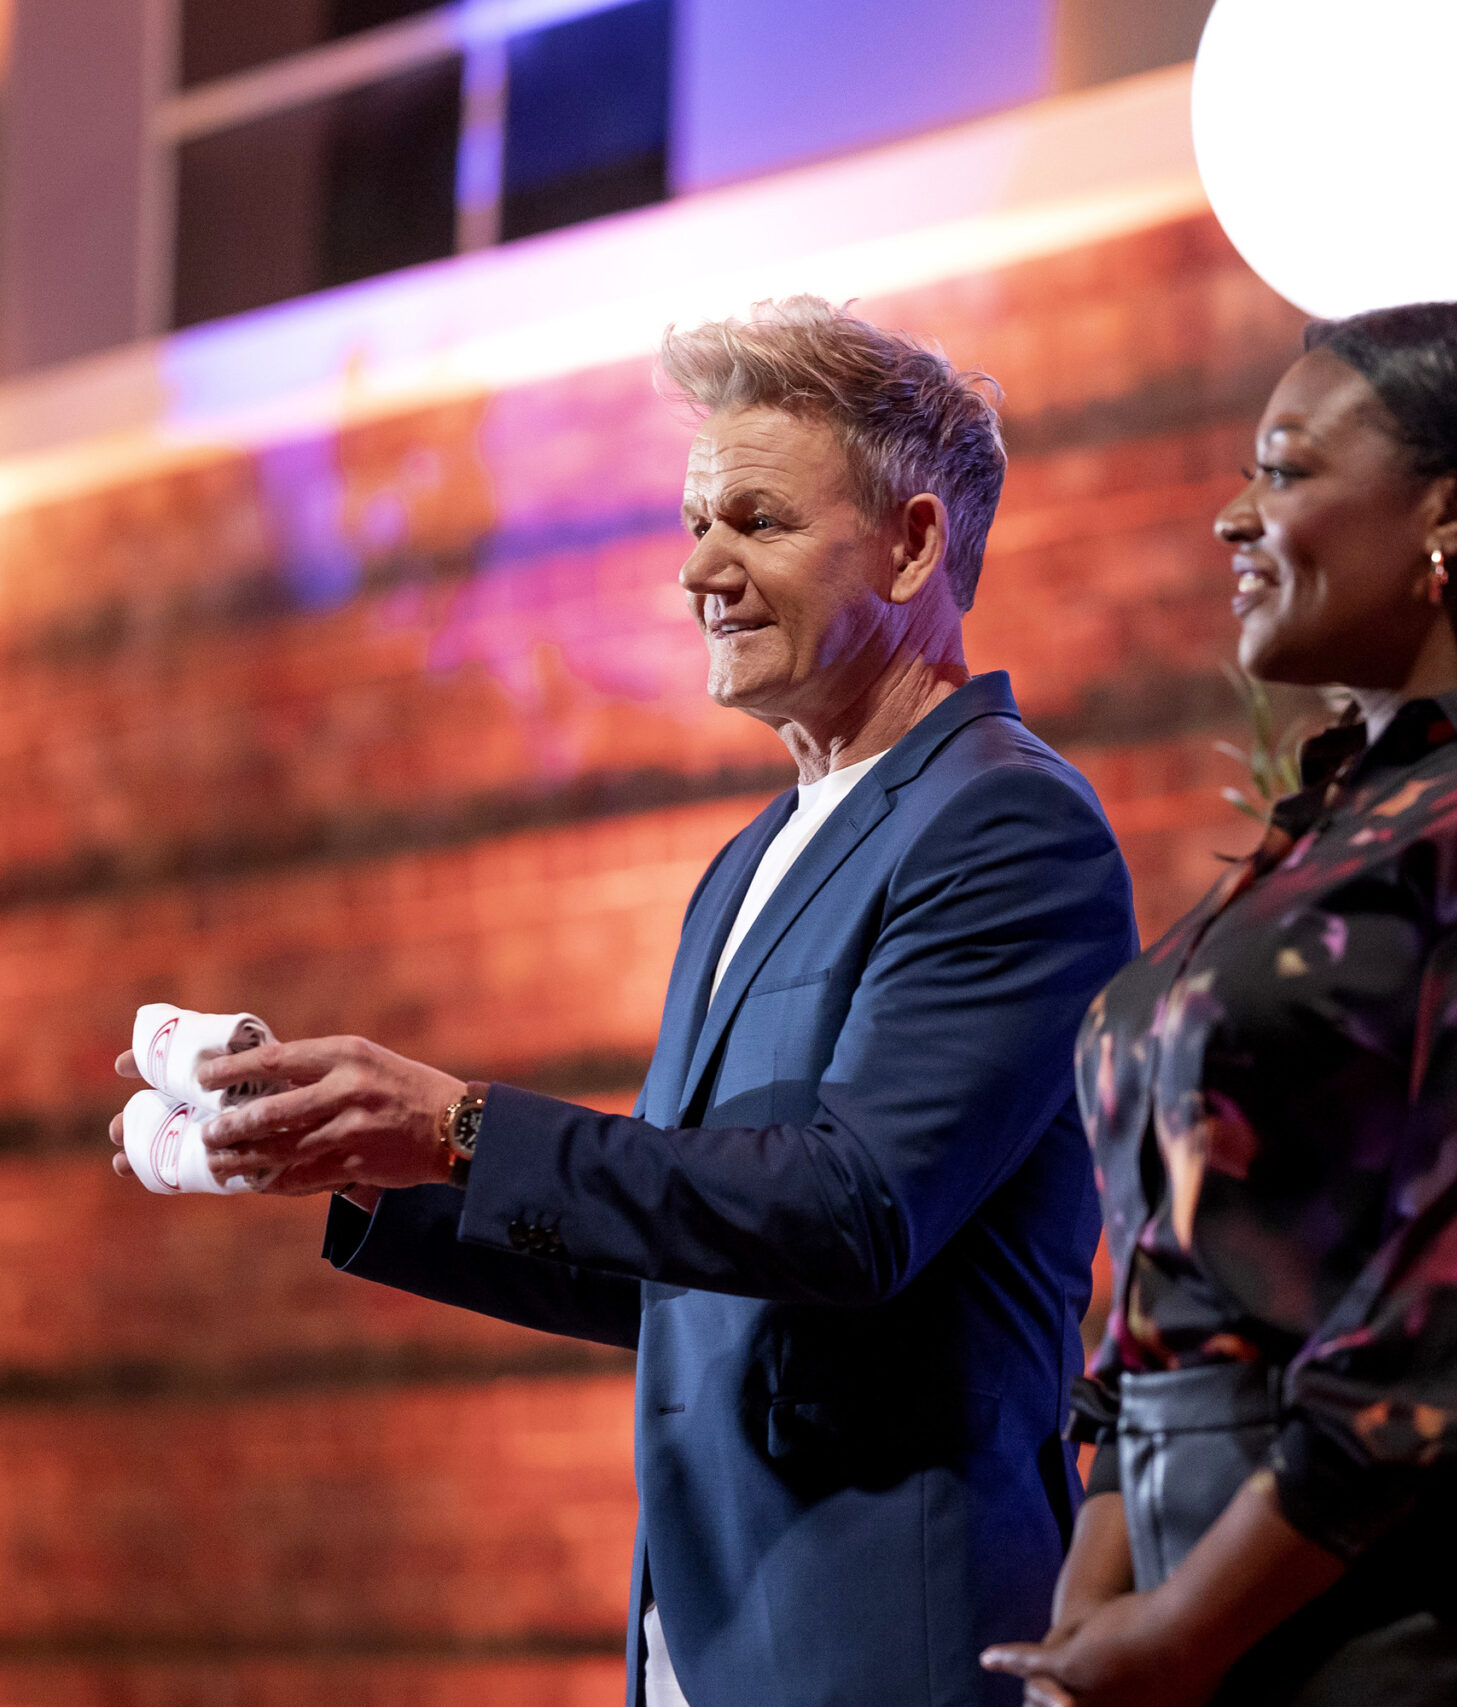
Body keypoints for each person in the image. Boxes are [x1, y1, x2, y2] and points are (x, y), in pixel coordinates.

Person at [114, 298, 1140, 1707]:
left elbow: (851, 1213)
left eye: (757, 522)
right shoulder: (745, 863)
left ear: (913, 545)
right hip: (702, 1638)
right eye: (695, 521)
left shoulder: (1009, 824)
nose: (698, 570)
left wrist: (464, 1127)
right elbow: (682, 1262)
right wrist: (371, 1162)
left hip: (878, 1640)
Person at [981, 303, 1457, 1707]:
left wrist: (1189, 1624)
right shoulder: (1333, 824)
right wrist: (1096, 1605)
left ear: (1456, 507)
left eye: (1283, 471)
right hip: (1209, 1598)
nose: (1232, 516)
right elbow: (1164, 1273)